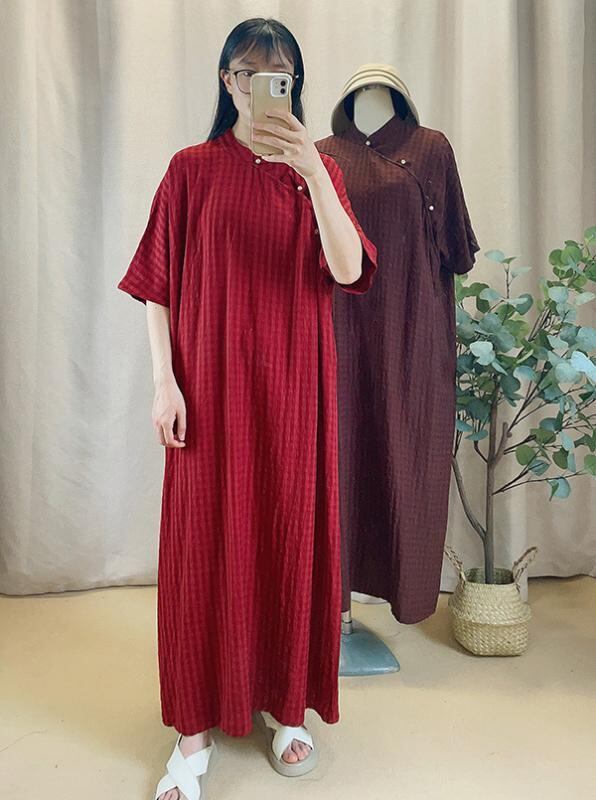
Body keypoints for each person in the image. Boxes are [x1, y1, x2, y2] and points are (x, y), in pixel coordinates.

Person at [117, 17, 378, 800]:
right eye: (245, 72)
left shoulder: (319, 172)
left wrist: (313, 172)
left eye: (278, 75)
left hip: (295, 391)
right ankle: (192, 732)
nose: (259, 86)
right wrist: (164, 383)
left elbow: (348, 269)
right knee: (201, 552)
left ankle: (285, 706)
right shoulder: (190, 170)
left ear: (294, 86)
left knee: (288, 541)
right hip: (208, 393)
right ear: (226, 81)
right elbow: (157, 286)